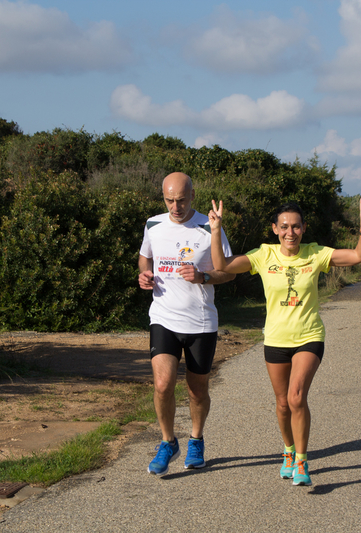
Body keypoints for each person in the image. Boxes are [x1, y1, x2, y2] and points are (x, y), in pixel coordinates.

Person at [208, 198, 361, 486]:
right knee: (283, 403)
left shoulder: (316, 254)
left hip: (309, 336)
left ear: (304, 228)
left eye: (296, 226)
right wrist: (215, 230)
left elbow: (359, 256)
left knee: (297, 397)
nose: (290, 232)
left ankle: (301, 460)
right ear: (274, 228)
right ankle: (287, 450)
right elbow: (221, 265)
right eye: (284, 226)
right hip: (275, 339)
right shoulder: (263, 255)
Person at [138, 172, 235, 475]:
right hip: (163, 317)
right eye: (169, 200)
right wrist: (144, 274)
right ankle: (168, 442)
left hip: (201, 321)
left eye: (181, 200)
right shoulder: (153, 224)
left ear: (192, 196)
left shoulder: (209, 227)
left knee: (197, 390)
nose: (175, 207)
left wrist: (203, 276)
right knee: (163, 384)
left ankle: (196, 439)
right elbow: (145, 258)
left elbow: (229, 271)